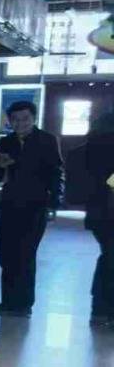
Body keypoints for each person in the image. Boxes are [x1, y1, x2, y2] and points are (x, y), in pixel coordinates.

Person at [0, 99, 64, 316]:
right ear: (9, 121)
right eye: (15, 119)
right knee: (7, 254)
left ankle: (23, 305)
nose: (20, 123)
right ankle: (7, 302)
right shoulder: (6, 142)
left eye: (25, 119)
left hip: (36, 204)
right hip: (10, 203)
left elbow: (56, 172)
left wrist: (54, 201)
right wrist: (0, 165)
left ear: (34, 119)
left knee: (26, 254)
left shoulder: (47, 140)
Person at [84, 111, 114, 327]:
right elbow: (108, 179)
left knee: (108, 257)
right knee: (110, 259)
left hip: (98, 212)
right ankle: (104, 310)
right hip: (108, 211)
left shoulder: (94, 141)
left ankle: (100, 310)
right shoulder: (105, 143)